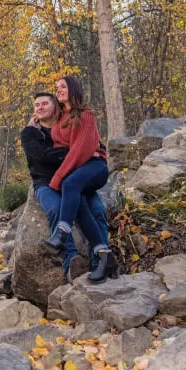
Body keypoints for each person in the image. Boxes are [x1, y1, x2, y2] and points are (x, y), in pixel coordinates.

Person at [20, 92, 109, 283]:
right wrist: (78, 151)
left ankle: (100, 262)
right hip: (46, 183)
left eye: (45, 103)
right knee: (56, 210)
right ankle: (71, 262)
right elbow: (43, 156)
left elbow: (94, 143)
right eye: (36, 105)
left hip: (76, 180)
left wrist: (86, 149)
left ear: (56, 107)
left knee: (98, 211)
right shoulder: (30, 133)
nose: (40, 107)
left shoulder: (68, 124)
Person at [43, 76, 118, 282]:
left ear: (73, 89)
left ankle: (62, 231)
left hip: (95, 167)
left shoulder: (86, 115)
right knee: (79, 203)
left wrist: (57, 179)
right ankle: (105, 257)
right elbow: (60, 149)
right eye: (56, 88)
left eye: (63, 86)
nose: (58, 90)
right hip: (79, 169)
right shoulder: (59, 120)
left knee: (69, 184)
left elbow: (78, 150)